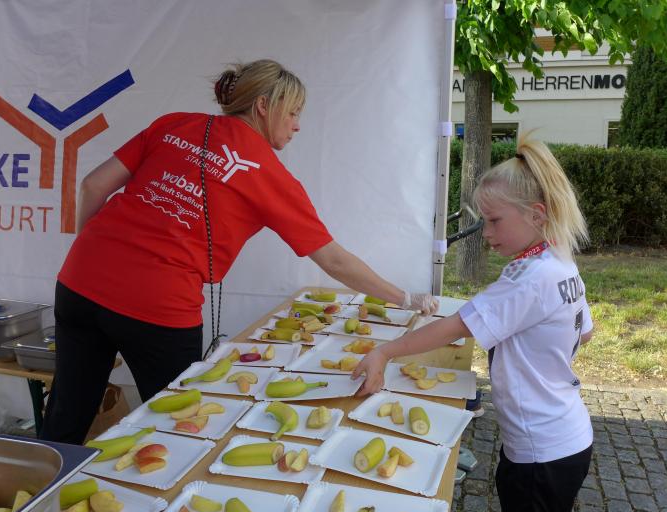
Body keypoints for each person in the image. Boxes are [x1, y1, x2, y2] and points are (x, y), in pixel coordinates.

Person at [41, 59, 438, 445]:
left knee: (66, 414)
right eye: (293, 112)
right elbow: (333, 260)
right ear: (263, 106)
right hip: (159, 303)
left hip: (78, 282)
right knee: (174, 424)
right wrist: (405, 298)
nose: (297, 125)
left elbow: (93, 185)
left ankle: (42, 487)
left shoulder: (173, 124)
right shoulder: (268, 174)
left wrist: (91, 255)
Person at [353, 136, 594, 512]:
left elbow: (455, 326)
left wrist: (384, 353)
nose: (486, 232)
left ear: (536, 215)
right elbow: (584, 333)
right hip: (565, 434)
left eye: (495, 220)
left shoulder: (529, 278)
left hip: (541, 450)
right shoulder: (560, 261)